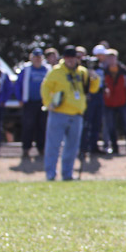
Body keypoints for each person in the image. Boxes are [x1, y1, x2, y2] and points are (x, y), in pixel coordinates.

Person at [40, 46, 101, 181]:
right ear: (64, 58)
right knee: (53, 146)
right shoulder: (56, 71)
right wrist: (48, 103)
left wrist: (94, 78)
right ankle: (50, 174)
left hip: (77, 114)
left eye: (73, 58)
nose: (70, 61)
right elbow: (45, 87)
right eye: (68, 58)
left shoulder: (82, 72)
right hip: (58, 113)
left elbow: (93, 89)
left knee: (72, 147)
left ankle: (67, 174)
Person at [15, 47, 51, 158]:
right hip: (29, 102)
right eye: (35, 57)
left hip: (43, 103)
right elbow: (18, 85)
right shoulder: (26, 69)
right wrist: (20, 99)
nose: (37, 59)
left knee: (42, 126)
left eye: (39, 57)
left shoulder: (47, 69)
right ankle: (26, 148)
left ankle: (41, 148)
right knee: (28, 126)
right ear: (32, 58)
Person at [101, 49, 126, 155]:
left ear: (116, 58)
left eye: (113, 57)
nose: (111, 59)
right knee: (111, 126)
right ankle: (115, 148)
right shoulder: (103, 71)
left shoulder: (124, 71)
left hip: (122, 102)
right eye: (109, 57)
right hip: (109, 103)